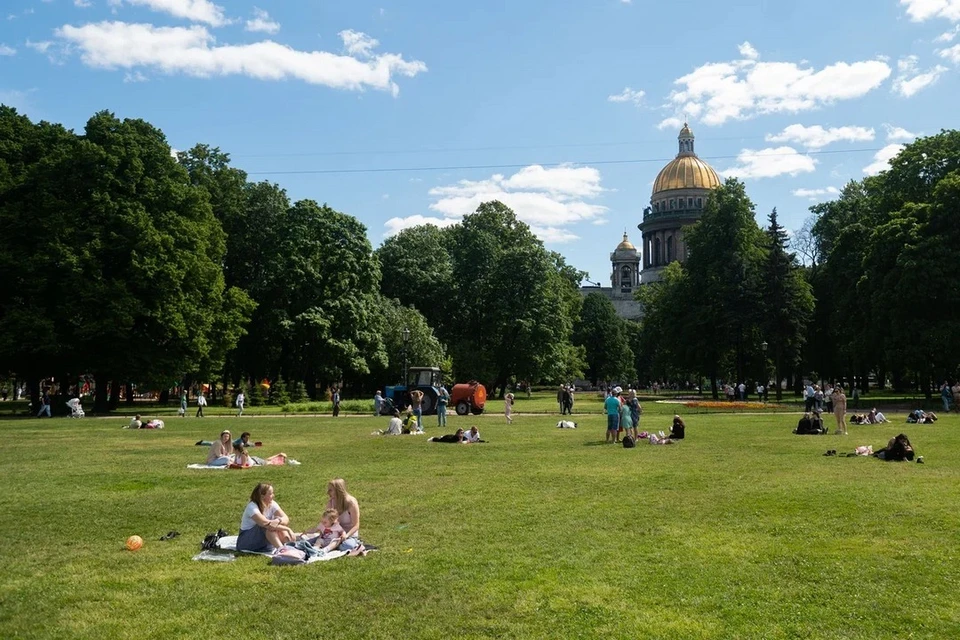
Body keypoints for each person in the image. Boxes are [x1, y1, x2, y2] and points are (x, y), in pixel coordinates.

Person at [237, 483, 295, 553]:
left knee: (277, 522)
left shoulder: (272, 503)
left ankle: (288, 546)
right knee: (268, 526)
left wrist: (278, 520)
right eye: (270, 494)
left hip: (262, 541)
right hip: (246, 542)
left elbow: (285, 518)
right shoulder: (252, 507)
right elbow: (265, 523)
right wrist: (287, 529)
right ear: (262, 496)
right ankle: (282, 550)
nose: (273, 496)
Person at [324, 479, 361, 551]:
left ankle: (333, 546)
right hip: (335, 533)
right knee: (318, 541)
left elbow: (356, 525)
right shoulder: (331, 503)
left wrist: (346, 536)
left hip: (349, 535)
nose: (328, 492)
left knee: (346, 546)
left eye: (330, 490)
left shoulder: (351, 503)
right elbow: (326, 521)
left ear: (338, 491)